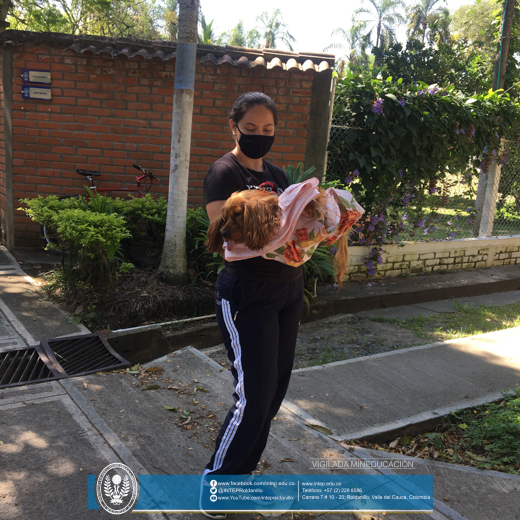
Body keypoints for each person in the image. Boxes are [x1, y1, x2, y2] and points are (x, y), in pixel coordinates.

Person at [201, 92, 304, 516]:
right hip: (248, 294)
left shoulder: (278, 175)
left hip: (287, 290)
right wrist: (280, 235)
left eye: (268, 130)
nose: (260, 137)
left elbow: (294, 225)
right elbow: (224, 233)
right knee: (253, 396)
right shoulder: (223, 173)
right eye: (251, 129)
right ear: (234, 126)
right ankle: (216, 485)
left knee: (274, 391)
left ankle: (240, 478)